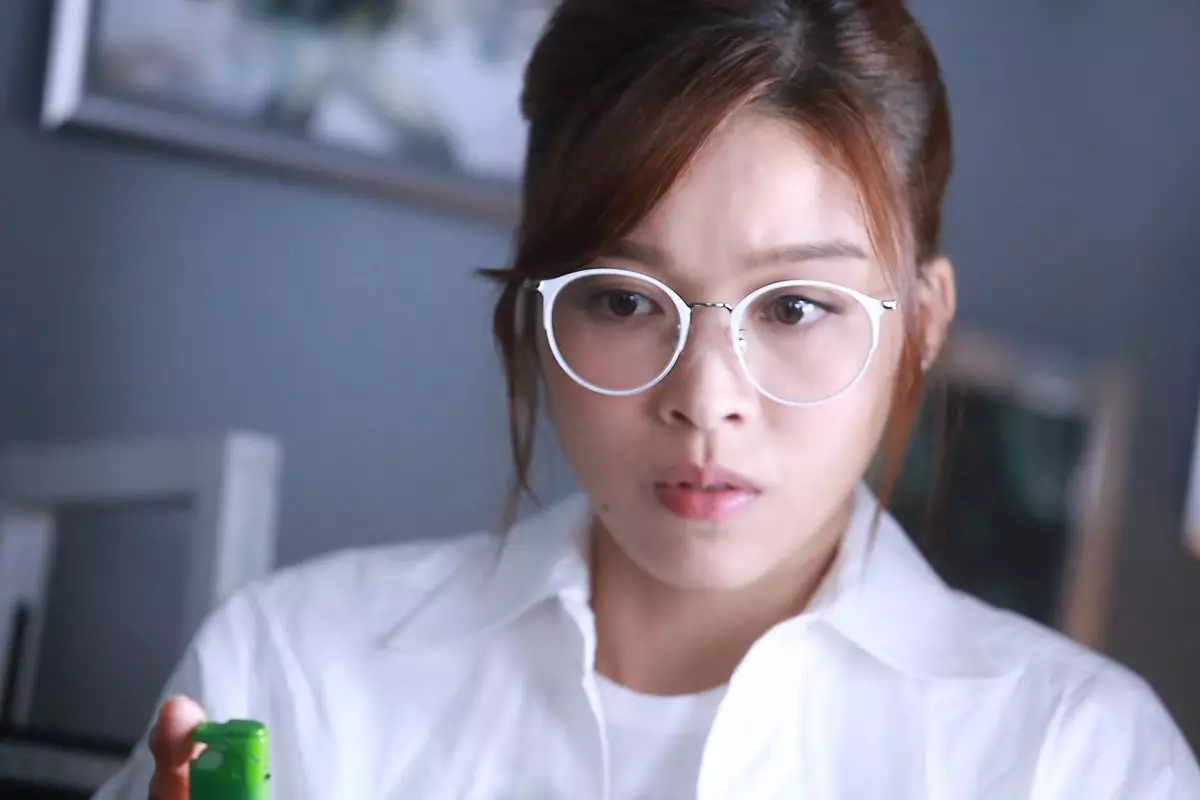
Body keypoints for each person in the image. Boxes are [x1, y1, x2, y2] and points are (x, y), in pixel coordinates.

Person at [99, 1, 1200, 798]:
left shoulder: (1076, 760)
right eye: (625, 299)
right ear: (537, 307)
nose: (705, 399)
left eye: (795, 307)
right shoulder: (290, 671)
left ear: (920, 321)